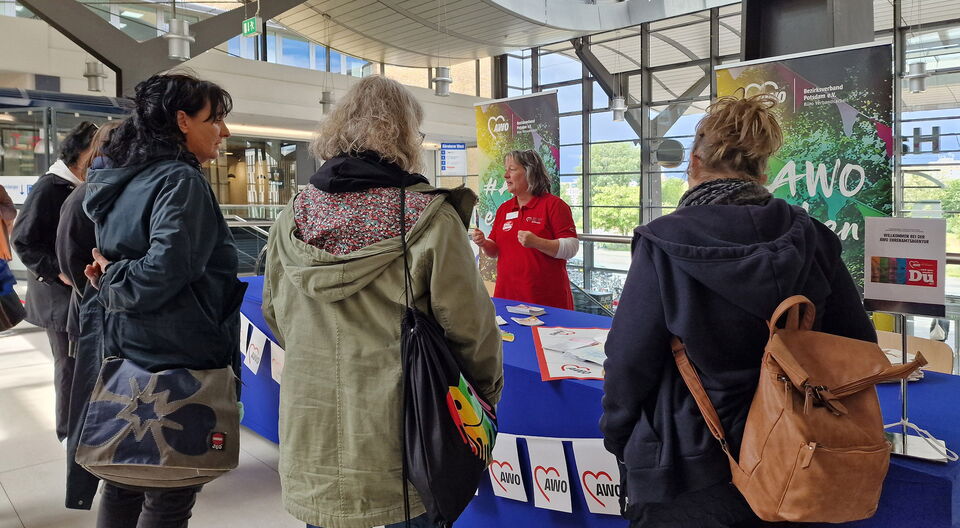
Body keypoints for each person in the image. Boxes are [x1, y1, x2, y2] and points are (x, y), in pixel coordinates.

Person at [600, 94, 878, 528]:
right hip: (797, 458)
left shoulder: (662, 243)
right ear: (763, 171)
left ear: (694, 163)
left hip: (690, 462)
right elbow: (857, 344)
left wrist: (619, 436)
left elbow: (629, 361)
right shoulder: (814, 237)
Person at [261, 75, 503, 528]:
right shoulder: (430, 219)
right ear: (406, 136)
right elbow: (471, 331)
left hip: (312, 434)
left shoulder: (291, 217)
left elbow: (275, 312)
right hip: (405, 440)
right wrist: (484, 400)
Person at [80, 73, 245, 528]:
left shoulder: (123, 180)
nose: (224, 131)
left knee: (125, 478)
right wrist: (112, 279)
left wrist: (109, 278)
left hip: (131, 348)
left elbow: (120, 263)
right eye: (215, 119)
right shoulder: (179, 179)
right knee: (170, 490)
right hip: (180, 353)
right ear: (182, 121)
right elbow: (165, 270)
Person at [12, 120, 97, 443]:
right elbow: (23, 240)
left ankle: (85, 428)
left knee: (81, 364)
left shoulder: (82, 184)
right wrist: (59, 273)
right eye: (96, 150)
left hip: (78, 290)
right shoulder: (51, 186)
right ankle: (68, 434)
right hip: (58, 296)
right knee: (68, 365)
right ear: (80, 152)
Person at [55, 119, 121, 511]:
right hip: (94, 318)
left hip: (105, 315)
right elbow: (69, 257)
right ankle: (90, 478)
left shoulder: (114, 191)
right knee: (92, 401)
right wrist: (97, 286)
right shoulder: (83, 195)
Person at [471, 150, 578, 309]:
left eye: (512, 169)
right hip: (507, 296)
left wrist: (537, 242)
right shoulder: (504, 209)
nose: (505, 175)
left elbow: (571, 248)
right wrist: (484, 242)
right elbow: (495, 251)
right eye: (505, 170)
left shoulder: (554, 205)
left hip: (545, 300)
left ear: (530, 172)